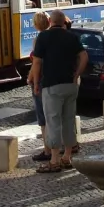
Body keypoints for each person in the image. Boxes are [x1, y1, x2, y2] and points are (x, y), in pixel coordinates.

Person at [31, 9, 89, 173]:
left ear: (50, 22)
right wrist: (77, 73)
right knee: (68, 120)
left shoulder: (43, 37)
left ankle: (54, 160)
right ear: (64, 22)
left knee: (53, 121)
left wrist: (36, 83)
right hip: (71, 85)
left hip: (52, 85)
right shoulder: (72, 36)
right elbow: (84, 56)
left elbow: (37, 63)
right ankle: (67, 157)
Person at [27, 11, 51, 162]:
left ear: (36, 24)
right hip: (53, 79)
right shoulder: (55, 37)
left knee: (43, 118)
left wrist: (31, 79)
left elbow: (37, 63)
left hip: (41, 80)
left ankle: (47, 150)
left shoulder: (38, 39)